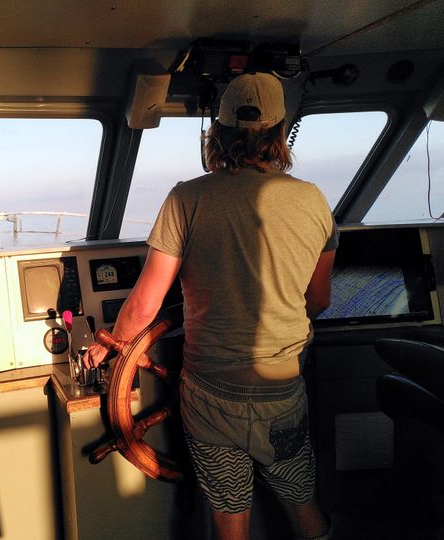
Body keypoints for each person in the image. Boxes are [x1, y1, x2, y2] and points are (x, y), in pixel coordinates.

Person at [84, 72, 338, 540]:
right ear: (281, 132)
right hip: (281, 393)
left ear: (216, 133)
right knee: (302, 504)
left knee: (229, 519)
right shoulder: (314, 201)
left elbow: (145, 305)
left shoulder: (187, 198)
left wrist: (115, 345)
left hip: (211, 395)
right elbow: (318, 300)